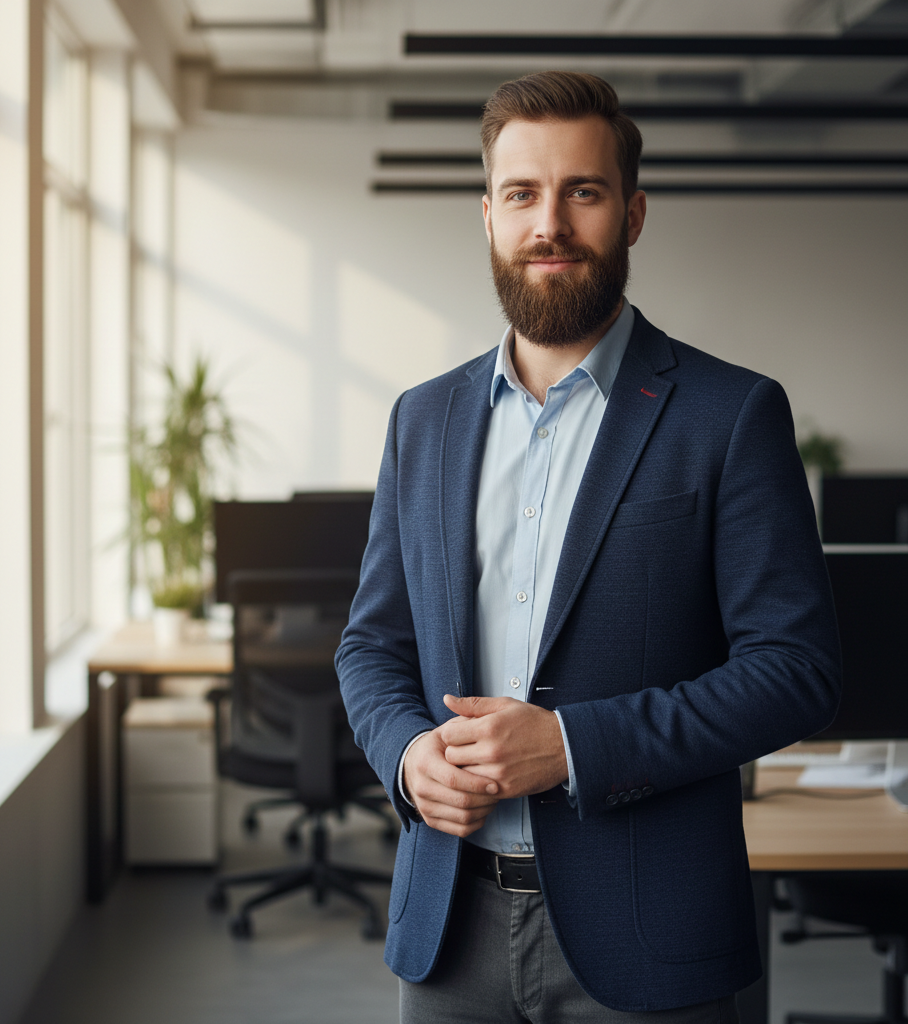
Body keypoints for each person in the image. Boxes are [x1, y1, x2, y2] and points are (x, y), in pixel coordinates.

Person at [336, 70, 840, 1023]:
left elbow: (796, 670)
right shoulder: (424, 421)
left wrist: (570, 746)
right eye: (522, 193)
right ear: (487, 215)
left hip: (652, 933)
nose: (550, 224)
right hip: (447, 930)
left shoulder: (731, 416)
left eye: (584, 191)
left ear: (633, 213)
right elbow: (370, 646)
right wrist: (406, 756)